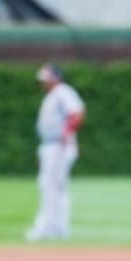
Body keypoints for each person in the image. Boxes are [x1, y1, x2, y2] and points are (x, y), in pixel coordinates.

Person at [26, 63, 86, 242]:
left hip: (58, 146)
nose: (43, 83)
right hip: (51, 145)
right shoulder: (53, 95)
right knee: (56, 186)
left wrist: (65, 136)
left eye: (46, 79)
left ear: (56, 78)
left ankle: (47, 227)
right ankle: (59, 227)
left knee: (49, 185)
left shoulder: (62, 92)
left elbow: (76, 113)